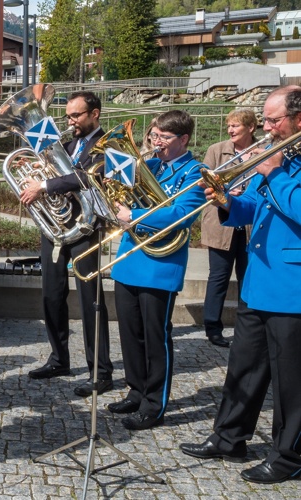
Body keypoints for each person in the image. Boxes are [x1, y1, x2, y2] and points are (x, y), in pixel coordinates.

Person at [180, 86, 301, 485]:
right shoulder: (278, 157)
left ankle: (289, 457)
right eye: (265, 119)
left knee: (291, 382)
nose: (265, 127)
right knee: (243, 367)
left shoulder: (281, 162)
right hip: (258, 283)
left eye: (272, 120)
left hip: (292, 288)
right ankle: (230, 437)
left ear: (298, 119)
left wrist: (275, 172)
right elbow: (252, 207)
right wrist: (225, 201)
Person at [107, 110, 206, 431]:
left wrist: (132, 213)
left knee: (155, 338)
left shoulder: (195, 172)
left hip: (160, 264)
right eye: (153, 135)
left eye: (163, 137)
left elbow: (182, 214)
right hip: (129, 259)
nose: (155, 142)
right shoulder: (147, 165)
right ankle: (136, 391)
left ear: (183, 139)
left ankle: (154, 404)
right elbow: (114, 190)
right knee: (130, 335)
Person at [19, 91, 114, 398]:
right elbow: (51, 166)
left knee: (91, 301)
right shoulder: (68, 143)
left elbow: (87, 177)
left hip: (86, 229)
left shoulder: (108, 144)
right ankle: (59, 358)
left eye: (77, 116)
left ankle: (100, 372)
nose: (71, 121)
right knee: (51, 296)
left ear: (95, 114)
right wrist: (36, 173)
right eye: (69, 116)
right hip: (56, 230)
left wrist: (43, 185)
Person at [199, 109, 256, 348]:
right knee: (219, 277)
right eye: (229, 126)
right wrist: (223, 192)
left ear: (251, 128)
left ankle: (246, 328)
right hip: (221, 223)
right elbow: (202, 179)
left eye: (236, 126)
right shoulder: (216, 149)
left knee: (248, 278)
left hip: (251, 225)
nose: (231, 130)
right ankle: (212, 327)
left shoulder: (263, 150)